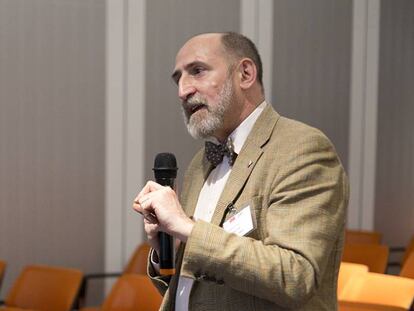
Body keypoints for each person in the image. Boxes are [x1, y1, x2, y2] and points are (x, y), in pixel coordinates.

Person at [133, 32, 348, 311]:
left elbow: (295, 276)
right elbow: (199, 287)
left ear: (245, 73)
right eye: (178, 79)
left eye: (197, 71)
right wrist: (170, 249)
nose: (183, 91)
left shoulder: (302, 148)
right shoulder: (201, 163)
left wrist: (187, 228)